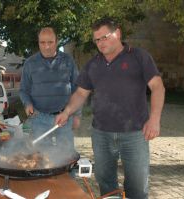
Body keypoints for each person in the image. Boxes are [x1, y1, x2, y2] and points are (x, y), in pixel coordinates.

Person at [55, 17, 165, 199]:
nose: (101, 43)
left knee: (137, 187)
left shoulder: (139, 56)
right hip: (101, 134)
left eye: (104, 37)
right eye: (97, 40)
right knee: (106, 183)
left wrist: (154, 119)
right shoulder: (93, 64)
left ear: (118, 33)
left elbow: (158, 87)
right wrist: (66, 111)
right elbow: (81, 94)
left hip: (135, 134)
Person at [19, 27, 80, 150]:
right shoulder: (30, 63)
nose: (46, 46)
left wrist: (77, 115)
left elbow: (77, 89)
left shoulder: (68, 61)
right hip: (39, 118)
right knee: (41, 158)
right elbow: (24, 90)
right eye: (42, 42)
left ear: (57, 42)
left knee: (66, 156)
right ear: (38, 43)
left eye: (50, 42)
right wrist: (27, 104)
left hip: (64, 117)